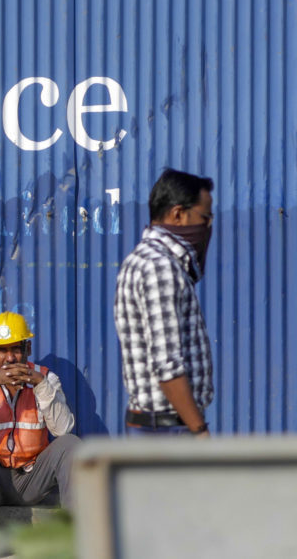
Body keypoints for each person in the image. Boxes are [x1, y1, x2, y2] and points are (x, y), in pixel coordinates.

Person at [115, 168, 215, 436]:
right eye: (204, 218)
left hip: (159, 426)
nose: (208, 228)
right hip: (166, 430)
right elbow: (167, 364)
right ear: (178, 214)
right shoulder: (160, 267)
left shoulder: (147, 260)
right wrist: (200, 431)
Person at [0, 312, 80, 520]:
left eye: (16, 349)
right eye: (1, 350)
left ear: (28, 349)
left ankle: (78, 533)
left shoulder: (47, 378)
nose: (10, 358)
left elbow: (62, 430)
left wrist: (41, 385)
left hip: (32, 479)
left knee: (70, 444)